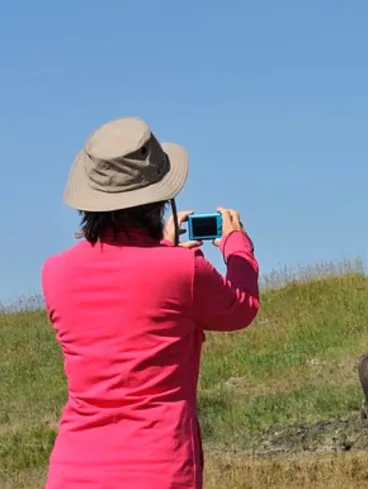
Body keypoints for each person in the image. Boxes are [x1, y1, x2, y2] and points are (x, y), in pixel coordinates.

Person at [40, 116, 261, 489]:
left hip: (73, 471)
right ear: (160, 198)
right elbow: (241, 307)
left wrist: (160, 245)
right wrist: (236, 245)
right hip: (159, 470)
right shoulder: (182, 269)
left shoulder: (55, 273)